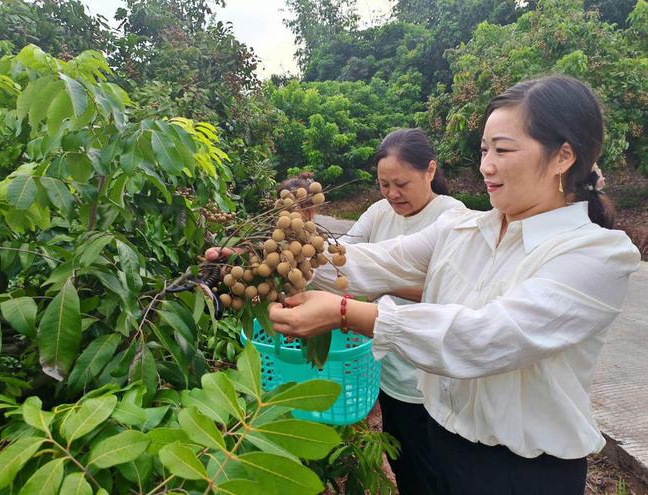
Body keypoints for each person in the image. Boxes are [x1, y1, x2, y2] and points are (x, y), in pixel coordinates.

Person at [268, 75, 641, 494]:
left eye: (502, 150)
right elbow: (371, 262)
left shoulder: (597, 254)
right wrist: (275, 255)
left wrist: (346, 314)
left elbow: (485, 337)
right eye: (484, 150)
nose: (486, 165)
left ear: (563, 156)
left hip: (524, 475)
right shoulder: (460, 228)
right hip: (443, 440)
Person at [320, 128, 464, 491]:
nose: (392, 194)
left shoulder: (452, 217)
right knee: (404, 464)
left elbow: (446, 293)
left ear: (430, 171)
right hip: (389, 366)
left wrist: (377, 283)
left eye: (401, 183)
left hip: (432, 372)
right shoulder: (379, 212)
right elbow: (342, 256)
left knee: (435, 471)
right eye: (384, 185)